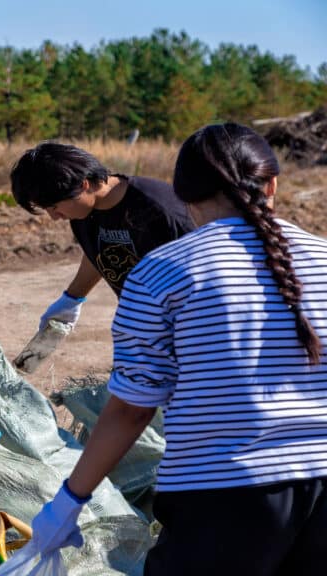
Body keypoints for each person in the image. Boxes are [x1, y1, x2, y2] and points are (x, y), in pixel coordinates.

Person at [29, 123, 327, 575]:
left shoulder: (159, 274)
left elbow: (131, 410)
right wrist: (73, 296)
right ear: (272, 184)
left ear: (184, 197)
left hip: (223, 498)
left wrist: (69, 501)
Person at [10, 143, 194, 334]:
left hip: (192, 326)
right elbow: (99, 252)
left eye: (54, 207)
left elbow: (210, 265)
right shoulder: (83, 215)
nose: (55, 217)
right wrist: (72, 298)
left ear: (83, 185)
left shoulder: (160, 209)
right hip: (145, 329)